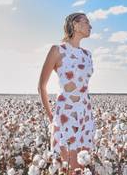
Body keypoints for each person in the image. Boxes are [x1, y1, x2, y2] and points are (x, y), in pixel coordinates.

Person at [38, 12, 95, 174]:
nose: (90, 26)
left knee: (83, 167)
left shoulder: (87, 55)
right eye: (87, 22)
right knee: (72, 168)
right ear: (75, 25)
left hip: (86, 114)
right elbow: (41, 86)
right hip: (66, 115)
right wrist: (51, 116)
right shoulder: (57, 50)